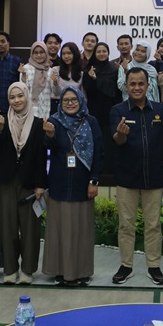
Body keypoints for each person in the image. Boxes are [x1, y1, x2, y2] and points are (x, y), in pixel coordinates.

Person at [109, 68, 163, 285]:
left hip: (154, 177)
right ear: (126, 86)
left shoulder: (160, 110)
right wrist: (121, 134)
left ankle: (154, 266)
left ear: (148, 85)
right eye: (133, 84)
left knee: (153, 225)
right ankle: (126, 266)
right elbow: (117, 140)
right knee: (126, 225)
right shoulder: (118, 110)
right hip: (127, 178)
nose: (137, 87)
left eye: (141, 83)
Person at [43, 86, 103, 286]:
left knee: (82, 231)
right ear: (60, 102)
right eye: (65, 100)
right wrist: (49, 135)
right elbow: (47, 148)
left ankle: (82, 271)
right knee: (59, 231)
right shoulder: (54, 122)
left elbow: (99, 153)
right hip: (59, 185)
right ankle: (60, 271)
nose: (69, 103)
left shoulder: (91, 122)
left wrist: (94, 180)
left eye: (73, 99)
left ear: (81, 101)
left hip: (83, 185)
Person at [0, 83, 47, 285]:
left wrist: (41, 184)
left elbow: (41, 156)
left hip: (29, 182)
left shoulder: (38, 123)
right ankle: (10, 269)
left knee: (30, 227)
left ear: (27, 96)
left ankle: (27, 270)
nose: (16, 100)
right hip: (6, 181)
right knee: (7, 226)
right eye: (12, 97)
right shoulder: (2, 121)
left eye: (20, 96)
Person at [83, 42, 120, 176]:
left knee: (109, 143)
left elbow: (117, 92)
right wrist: (93, 79)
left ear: (108, 53)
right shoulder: (89, 69)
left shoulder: (114, 69)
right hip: (95, 111)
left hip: (110, 111)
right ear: (95, 53)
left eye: (104, 51)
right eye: (98, 51)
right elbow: (88, 91)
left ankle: (109, 174)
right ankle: (94, 173)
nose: (101, 54)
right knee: (95, 141)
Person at [20, 41, 54, 119]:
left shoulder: (50, 71)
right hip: (28, 110)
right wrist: (23, 76)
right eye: (35, 53)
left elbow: (54, 92)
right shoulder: (26, 69)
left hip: (45, 109)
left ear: (46, 53)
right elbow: (22, 90)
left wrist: (55, 82)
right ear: (32, 54)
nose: (39, 55)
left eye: (41, 52)